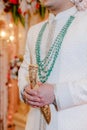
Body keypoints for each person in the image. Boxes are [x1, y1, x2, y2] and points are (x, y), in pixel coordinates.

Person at [18, 0, 87, 130]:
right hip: (34, 124)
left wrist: (57, 93)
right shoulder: (34, 31)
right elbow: (25, 69)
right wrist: (24, 89)